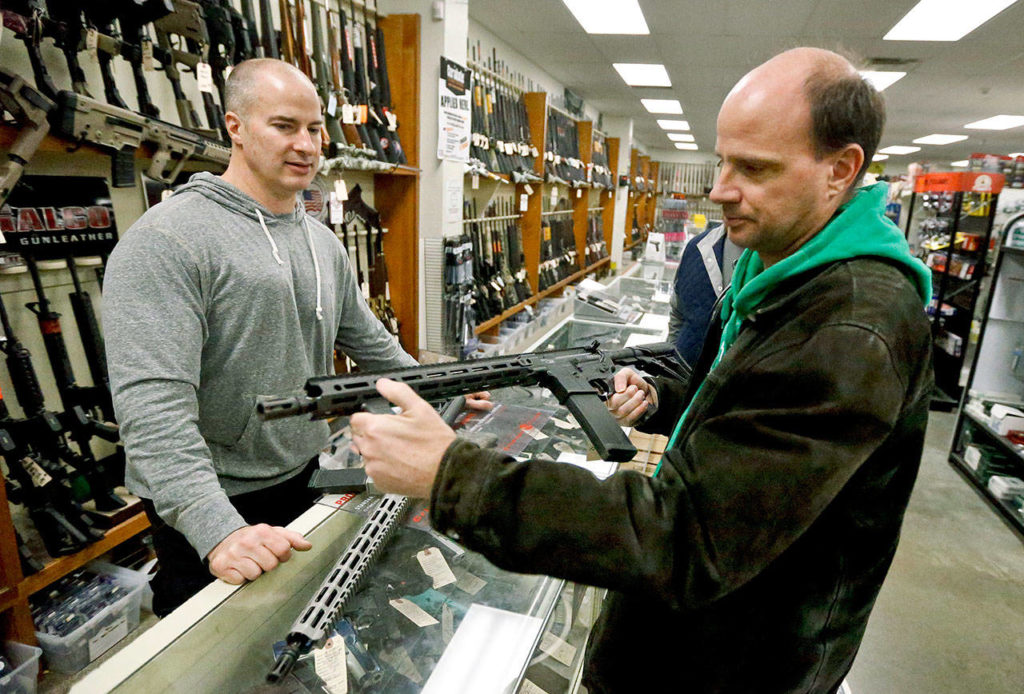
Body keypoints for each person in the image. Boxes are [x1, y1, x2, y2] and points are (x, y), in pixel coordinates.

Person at [348, 47, 934, 693]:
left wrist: (451, 475)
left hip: (731, 666)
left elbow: (688, 538)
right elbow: (751, 410)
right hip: (694, 640)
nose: (718, 190)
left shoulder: (849, 325)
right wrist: (664, 395)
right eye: (721, 162)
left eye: (754, 168)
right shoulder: (786, 267)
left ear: (841, 169)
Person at [104, 59, 475, 615]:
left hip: (305, 474)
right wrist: (218, 530)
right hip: (210, 496)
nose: (306, 144)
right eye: (284, 126)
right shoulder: (166, 241)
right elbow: (152, 414)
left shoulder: (320, 240)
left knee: (292, 626)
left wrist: (441, 387)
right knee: (209, 649)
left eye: (315, 128)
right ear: (235, 126)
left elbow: (372, 346)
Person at [668, 221, 741, 365]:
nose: (716, 197)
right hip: (683, 381)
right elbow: (678, 315)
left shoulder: (785, 263)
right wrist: (669, 371)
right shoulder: (696, 248)